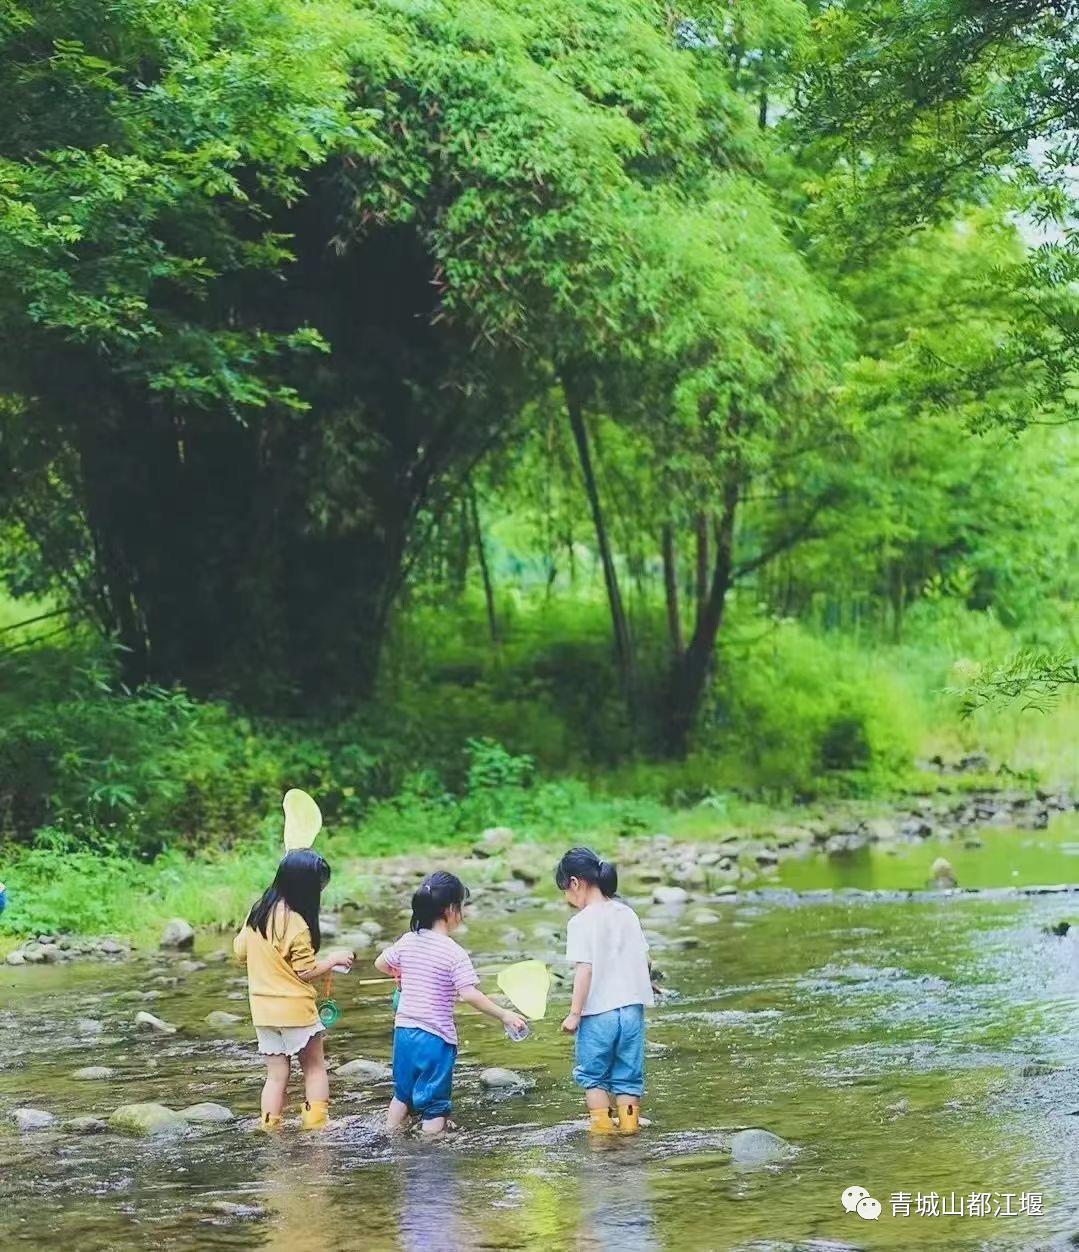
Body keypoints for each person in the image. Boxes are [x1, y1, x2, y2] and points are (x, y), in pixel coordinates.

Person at [375, 870, 526, 1137]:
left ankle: (390, 1136)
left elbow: (381, 963)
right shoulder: (453, 952)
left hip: (404, 1032)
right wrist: (504, 1014)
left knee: (402, 1093)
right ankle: (431, 1148)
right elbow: (469, 994)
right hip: (435, 1038)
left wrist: (400, 976)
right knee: (435, 1105)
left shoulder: (408, 940)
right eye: (462, 906)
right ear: (450, 910)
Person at [233, 848, 355, 1131]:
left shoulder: (257, 914)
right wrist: (332, 960)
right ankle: (316, 1127)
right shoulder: (296, 924)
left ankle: (269, 1127)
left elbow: (240, 952)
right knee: (314, 1068)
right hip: (294, 1010)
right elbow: (305, 971)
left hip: (263, 1012)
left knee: (276, 1076)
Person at [555, 846, 653, 1135]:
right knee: (628, 1079)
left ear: (575, 883)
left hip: (599, 1013)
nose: (567, 898)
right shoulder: (627, 913)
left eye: (565, 890)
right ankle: (629, 1132)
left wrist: (574, 1014)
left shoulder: (580, 922)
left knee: (593, 1078)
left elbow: (584, 970)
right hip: (632, 1011)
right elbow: (645, 960)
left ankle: (603, 1135)